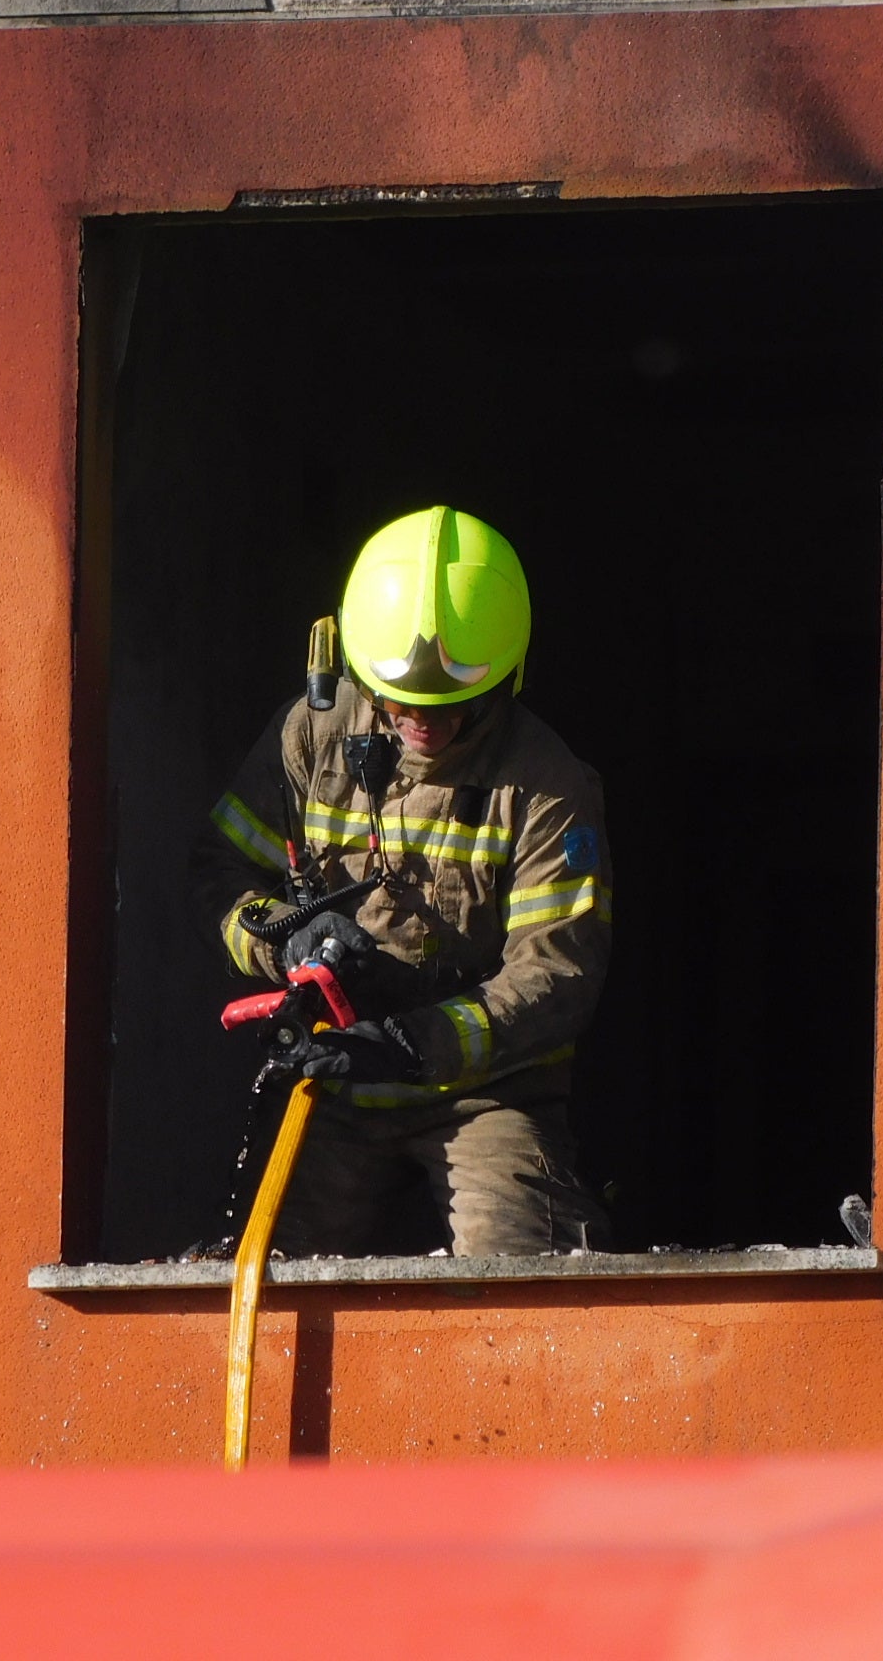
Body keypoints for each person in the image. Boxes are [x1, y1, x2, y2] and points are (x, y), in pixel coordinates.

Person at [190, 505, 614, 1258]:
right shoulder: (310, 735)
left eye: (451, 708)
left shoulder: (547, 784)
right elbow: (220, 873)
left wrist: (414, 1044)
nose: (423, 724)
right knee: (266, 1262)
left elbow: (558, 974)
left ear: (505, 677)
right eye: (400, 704)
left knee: (522, 1267)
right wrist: (286, 938)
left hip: (486, 1094)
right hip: (331, 1077)